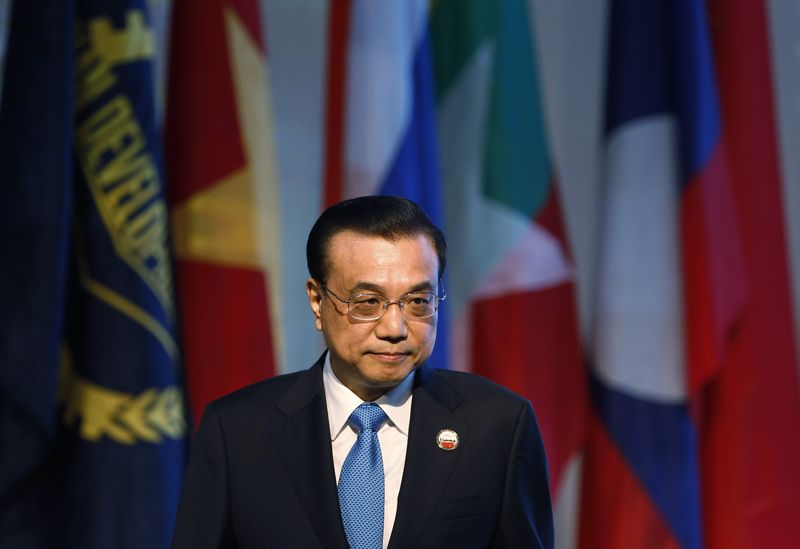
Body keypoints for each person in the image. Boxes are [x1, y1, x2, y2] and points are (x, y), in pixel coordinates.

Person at [170, 196, 554, 549]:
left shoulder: (498, 426)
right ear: (318, 301)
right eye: (368, 302)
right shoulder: (237, 431)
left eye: (418, 301)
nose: (395, 328)